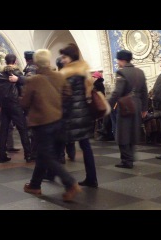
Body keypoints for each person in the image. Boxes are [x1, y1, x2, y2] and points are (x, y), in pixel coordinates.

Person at [21, 49, 81, 202]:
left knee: (47, 156)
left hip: (42, 122)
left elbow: (25, 103)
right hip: (59, 121)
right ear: (49, 61)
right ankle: (35, 185)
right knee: (43, 153)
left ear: (35, 63)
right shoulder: (59, 76)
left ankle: (70, 183)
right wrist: (56, 105)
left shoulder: (33, 80)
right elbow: (68, 94)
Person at [60, 43, 98, 188]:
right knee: (86, 146)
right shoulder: (83, 72)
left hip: (72, 116)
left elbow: (66, 97)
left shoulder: (70, 75)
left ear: (71, 57)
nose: (62, 60)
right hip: (83, 114)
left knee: (57, 146)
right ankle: (92, 178)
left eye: (64, 57)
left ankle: (54, 176)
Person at [109, 50, 148, 169]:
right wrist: (144, 108)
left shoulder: (121, 72)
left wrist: (108, 105)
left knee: (123, 133)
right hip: (137, 104)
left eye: (118, 60)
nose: (118, 62)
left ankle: (126, 160)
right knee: (132, 132)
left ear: (122, 60)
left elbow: (117, 92)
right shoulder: (140, 72)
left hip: (125, 105)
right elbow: (144, 92)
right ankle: (130, 157)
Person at [0, 54, 32, 163]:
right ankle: (28, 155)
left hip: (4, 106)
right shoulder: (17, 73)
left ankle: (2, 155)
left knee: (3, 131)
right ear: (15, 62)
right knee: (23, 130)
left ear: (5, 62)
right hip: (16, 105)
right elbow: (26, 85)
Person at [9, 51, 38, 161]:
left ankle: (33, 153)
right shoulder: (33, 67)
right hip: (30, 104)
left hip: (30, 104)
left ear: (25, 59)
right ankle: (32, 152)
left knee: (31, 130)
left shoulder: (31, 68)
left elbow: (30, 81)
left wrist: (18, 79)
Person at [56, 56, 76, 163]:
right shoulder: (72, 76)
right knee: (70, 132)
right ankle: (71, 153)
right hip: (71, 108)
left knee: (60, 134)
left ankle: (61, 156)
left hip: (60, 109)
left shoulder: (57, 77)